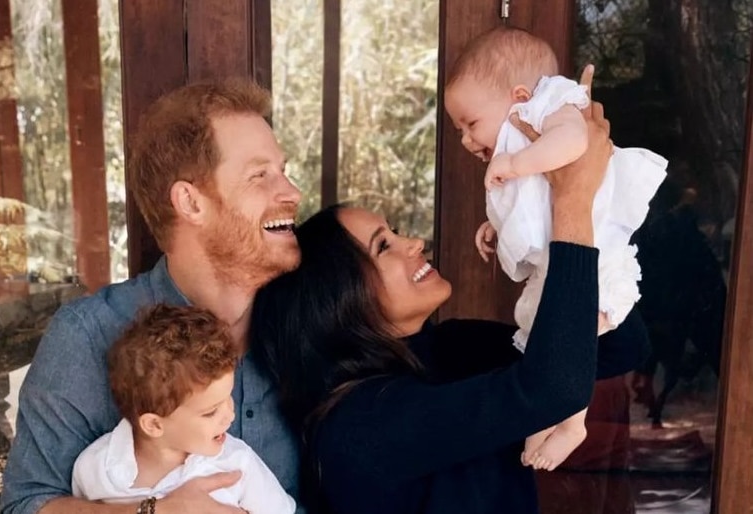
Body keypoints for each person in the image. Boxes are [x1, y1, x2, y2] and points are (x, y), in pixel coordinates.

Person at [250, 79, 651, 513]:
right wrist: (571, 200)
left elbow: (619, 348)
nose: (414, 243)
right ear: (336, 300)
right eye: (384, 246)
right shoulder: (359, 425)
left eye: (397, 232)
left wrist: (552, 226)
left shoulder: (450, 348)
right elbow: (554, 388)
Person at [0, 79, 304, 514]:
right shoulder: (87, 337)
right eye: (261, 175)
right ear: (190, 202)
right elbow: (24, 505)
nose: (291, 192)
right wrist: (150, 511)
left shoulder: (307, 320)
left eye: (283, 169)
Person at [443, 26, 666, 470]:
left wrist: (515, 162)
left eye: (471, 124)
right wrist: (495, 225)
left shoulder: (554, 105)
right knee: (543, 335)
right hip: (562, 256)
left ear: (520, 95)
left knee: (572, 335)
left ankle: (572, 422)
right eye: (459, 130)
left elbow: (574, 143)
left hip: (596, 255)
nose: (467, 140)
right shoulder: (523, 139)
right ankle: (547, 415)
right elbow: (537, 204)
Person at [71, 304, 296, 514]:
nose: (230, 415)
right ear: (154, 424)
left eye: (229, 398)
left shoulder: (236, 463)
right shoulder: (95, 468)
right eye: (211, 412)